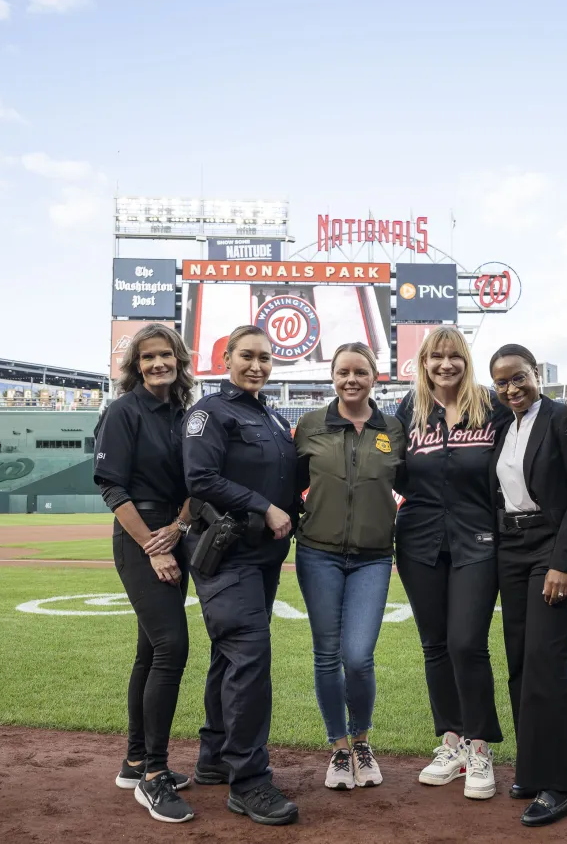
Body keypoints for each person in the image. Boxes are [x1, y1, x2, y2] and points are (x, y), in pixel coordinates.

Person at [181, 325, 300, 826]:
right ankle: (248, 781)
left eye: (266, 358)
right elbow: (200, 479)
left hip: (262, 556)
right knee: (250, 656)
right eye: (247, 356)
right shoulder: (210, 412)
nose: (257, 365)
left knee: (229, 654)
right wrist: (266, 506)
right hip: (227, 552)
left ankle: (214, 755)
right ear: (226, 358)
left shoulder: (270, 415)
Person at [487, 344, 567, 827]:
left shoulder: (561, 417)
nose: (512, 388)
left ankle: (558, 785)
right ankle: (532, 770)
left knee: (545, 662)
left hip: (555, 548)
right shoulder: (501, 424)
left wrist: (562, 561)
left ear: (537, 374)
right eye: (502, 382)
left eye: (519, 377)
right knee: (518, 661)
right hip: (511, 548)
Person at [394, 325, 510, 800]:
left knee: (467, 642)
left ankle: (479, 747)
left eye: (454, 356)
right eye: (436, 357)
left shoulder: (491, 405)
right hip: (419, 539)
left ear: (466, 360)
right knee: (435, 645)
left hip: (478, 537)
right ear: (424, 362)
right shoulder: (409, 409)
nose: (445, 365)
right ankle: (452, 742)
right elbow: (391, 469)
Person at [93, 322, 197, 824]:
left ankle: (134, 762)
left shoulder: (184, 414)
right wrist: (153, 546)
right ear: (136, 365)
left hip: (175, 531)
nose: (158, 364)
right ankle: (155, 774)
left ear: (179, 360)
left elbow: (199, 481)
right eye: (148, 357)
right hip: (140, 539)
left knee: (150, 650)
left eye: (166, 356)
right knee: (173, 647)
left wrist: (177, 529)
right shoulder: (123, 411)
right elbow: (112, 486)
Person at [293, 343, 406, 791]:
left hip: (374, 556)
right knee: (326, 655)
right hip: (317, 552)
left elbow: (413, 485)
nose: (351, 379)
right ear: (332, 376)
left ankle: (361, 741)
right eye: (343, 372)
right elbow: (291, 483)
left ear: (374, 377)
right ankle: (339, 749)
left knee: (358, 657)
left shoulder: (394, 429)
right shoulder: (310, 425)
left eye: (360, 371)